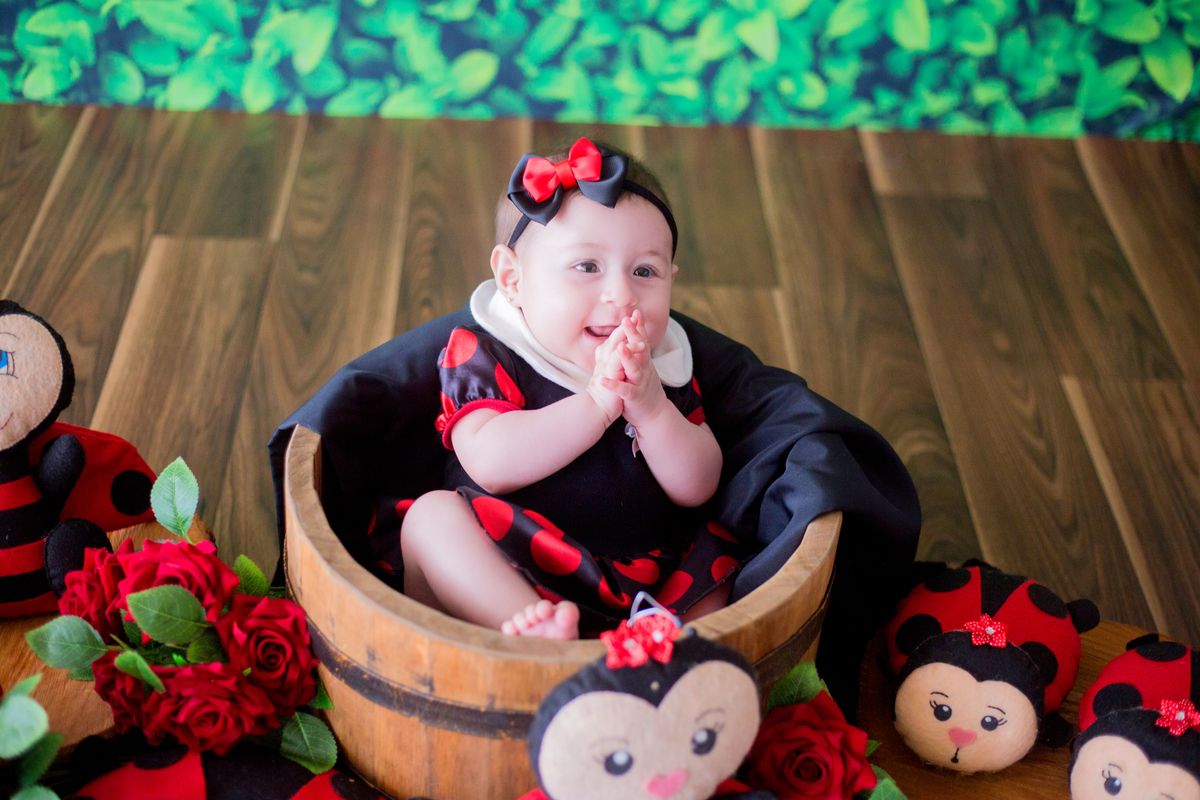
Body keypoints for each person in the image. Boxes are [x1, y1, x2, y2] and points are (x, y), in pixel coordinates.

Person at [398, 138, 744, 640]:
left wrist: (649, 407)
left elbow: (699, 485)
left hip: (639, 585)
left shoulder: (658, 367)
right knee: (430, 520)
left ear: (672, 278)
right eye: (587, 267)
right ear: (512, 279)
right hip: (510, 563)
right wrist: (599, 405)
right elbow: (490, 463)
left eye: (644, 271)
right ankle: (531, 637)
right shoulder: (490, 348)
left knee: (720, 551)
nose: (622, 294)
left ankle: (673, 657)